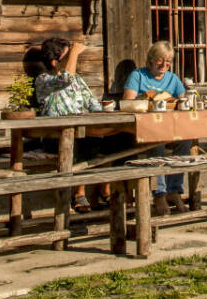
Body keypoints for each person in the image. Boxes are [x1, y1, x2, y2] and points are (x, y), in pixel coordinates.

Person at [35, 36, 111, 212]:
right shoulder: (44, 80)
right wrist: (75, 51)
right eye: (68, 57)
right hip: (56, 137)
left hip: (84, 132)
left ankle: (106, 189)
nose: (73, 60)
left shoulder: (78, 80)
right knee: (83, 141)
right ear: (55, 62)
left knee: (112, 141)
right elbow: (66, 79)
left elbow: (92, 103)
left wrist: (103, 114)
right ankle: (79, 193)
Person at [121, 40, 190, 214]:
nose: (164, 64)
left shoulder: (172, 78)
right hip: (142, 130)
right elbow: (127, 103)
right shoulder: (138, 76)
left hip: (169, 128)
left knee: (186, 141)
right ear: (151, 59)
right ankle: (159, 193)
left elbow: (184, 100)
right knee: (156, 142)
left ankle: (174, 191)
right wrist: (145, 100)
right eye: (160, 60)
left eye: (168, 61)